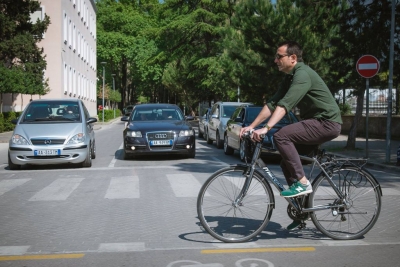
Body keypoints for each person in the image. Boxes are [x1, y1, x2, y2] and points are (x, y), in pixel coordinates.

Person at [240, 41, 342, 230]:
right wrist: (251, 126)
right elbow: (272, 103)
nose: (275, 60)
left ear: (293, 58)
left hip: (327, 123)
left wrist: (267, 128)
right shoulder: (289, 77)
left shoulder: (302, 75)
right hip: (316, 122)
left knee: (281, 136)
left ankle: (302, 183)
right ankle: (301, 211)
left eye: (279, 56)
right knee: (286, 163)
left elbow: (285, 104)